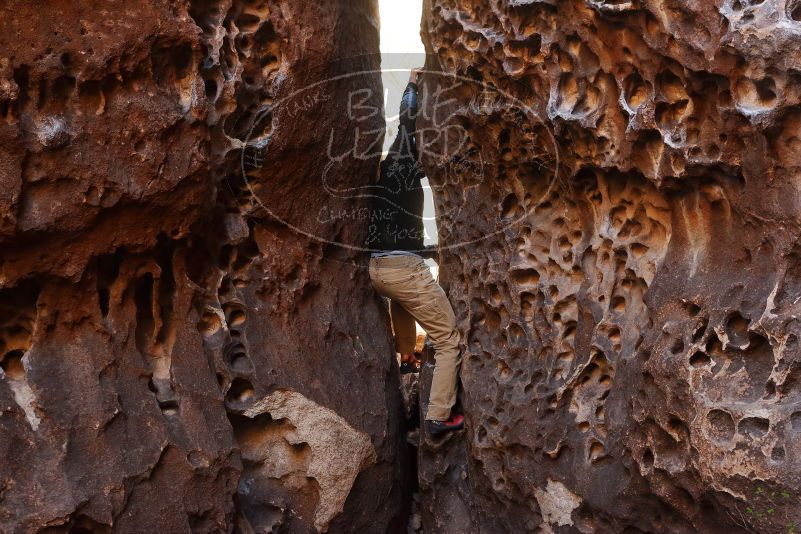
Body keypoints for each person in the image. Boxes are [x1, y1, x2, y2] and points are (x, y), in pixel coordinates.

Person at [368, 70, 464, 437]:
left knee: (403, 299)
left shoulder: (381, 183)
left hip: (379, 269)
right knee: (447, 337)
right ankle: (438, 417)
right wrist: (412, 84)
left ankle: (407, 354)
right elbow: (407, 122)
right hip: (402, 269)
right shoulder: (402, 163)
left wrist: (430, 250)